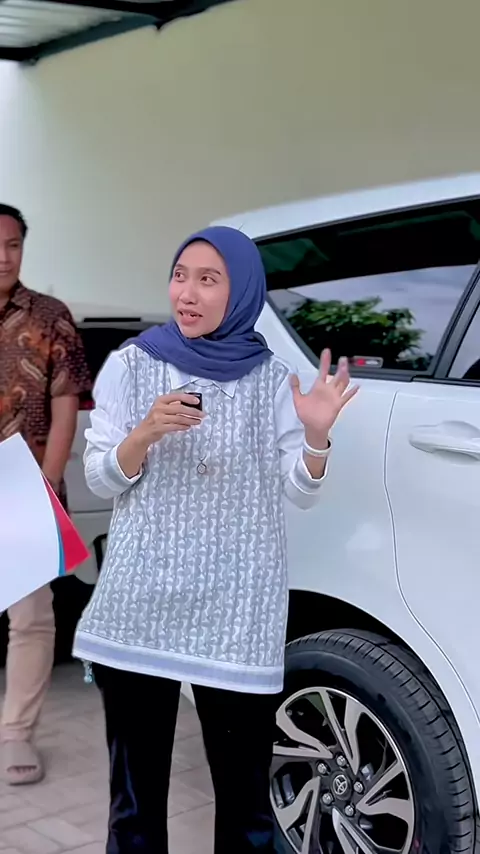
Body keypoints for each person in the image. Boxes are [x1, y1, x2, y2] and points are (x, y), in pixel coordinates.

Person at [72, 226, 358, 854]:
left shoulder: (273, 379)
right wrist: (144, 433)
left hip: (237, 612)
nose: (187, 293)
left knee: (247, 808)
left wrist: (316, 437)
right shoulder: (132, 365)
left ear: (242, 290)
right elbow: (100, 476)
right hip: (141, 607)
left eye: (208, 279)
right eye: (180, 276)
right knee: (134, 809)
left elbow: (301, 490)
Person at [0, 204, 91, 784]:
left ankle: (16, 733)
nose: (3, 257)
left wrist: (47, 483)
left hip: (23, 481)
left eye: (12, 244)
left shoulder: (50, 316)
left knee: (31, 618)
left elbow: (66, 404)